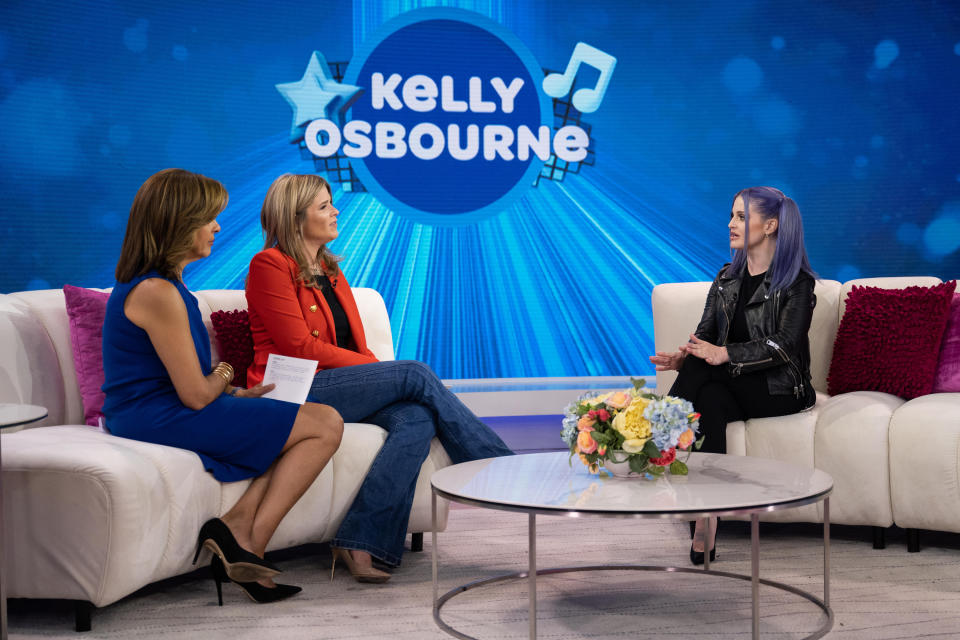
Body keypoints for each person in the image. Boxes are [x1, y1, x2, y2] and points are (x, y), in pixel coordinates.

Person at [245, 173, 514, 582]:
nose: (335, 211)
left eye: (331, 203)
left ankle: (360, 539)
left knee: (417, 419)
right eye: (323, 206)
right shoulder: (269, 265)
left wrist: (378, 373)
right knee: (414, 372)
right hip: (297, 391)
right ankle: (498, 470)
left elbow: (356, 346)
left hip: (337, 385)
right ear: (295, 218)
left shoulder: (330, 270)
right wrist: (382, 372)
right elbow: (301, 348)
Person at [101, 169, 344, 603]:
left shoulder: (167, 286)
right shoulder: (157, 291)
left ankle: (236, 532)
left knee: (301, 426)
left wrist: (231, 393)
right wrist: (229, 373)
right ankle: (248, 545)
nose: (217, 227)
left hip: (160, 407)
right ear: (178, 223)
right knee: (323, 423)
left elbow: (176, 378)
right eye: (209, 218)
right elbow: (194, 393)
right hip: (153, 416)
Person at [649, 186, 817, 565]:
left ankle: (655, 439)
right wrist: (685, 356)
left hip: (782, 389)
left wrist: (722, 354)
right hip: (733, 384)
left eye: (741, 217)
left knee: (705, 374)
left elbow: (785, 345)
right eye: (731, 216)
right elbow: (705, 334)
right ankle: (707, 521)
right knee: (707, 396)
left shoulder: (796, 283)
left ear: (771, 225)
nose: (731, 224)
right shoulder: (726, 277)